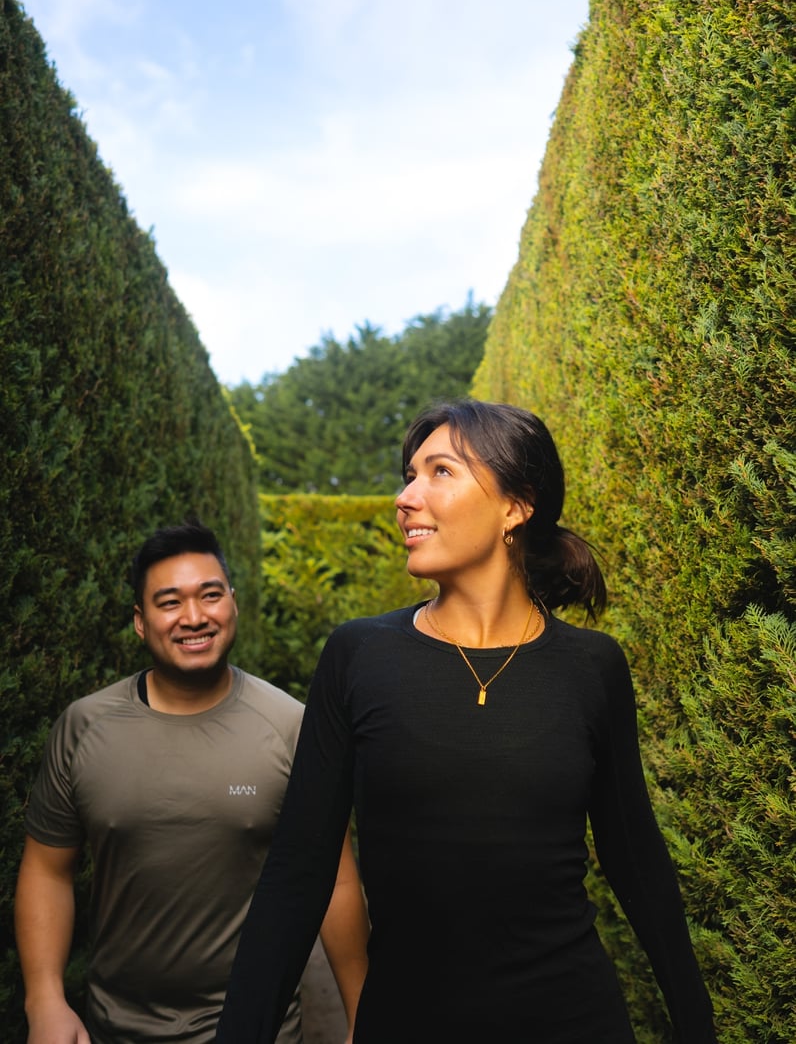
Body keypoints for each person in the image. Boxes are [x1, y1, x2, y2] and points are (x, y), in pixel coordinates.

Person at [216, 400, 717, 1043]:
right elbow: (298, 869)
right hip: (407, 1022)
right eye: (409, 474)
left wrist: (697, 1027)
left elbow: (635, 858)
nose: (406, 496)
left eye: (440, 472)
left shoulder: (592, 667)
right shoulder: (358, 655)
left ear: (516, 505)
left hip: (572, 1021)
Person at [15, 521, 369, 1044]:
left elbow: (334, 880)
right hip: (111, 1028)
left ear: (234, 604)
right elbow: (47, 869)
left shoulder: (293, 728)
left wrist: (364, 1014)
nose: (195, 617)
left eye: (210, 595)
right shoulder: (83, 727)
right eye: (169, 602)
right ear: (140, 622)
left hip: (257, 1027)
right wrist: (43, 997)